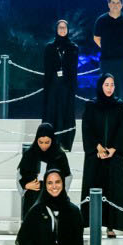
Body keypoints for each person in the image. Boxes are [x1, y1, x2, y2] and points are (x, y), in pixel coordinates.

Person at [81, 72, 123, 237]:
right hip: (96, 155)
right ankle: (93, 224)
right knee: (94, 186)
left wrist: (114, 149)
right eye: (107, 85)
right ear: (101, 86)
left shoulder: (119, 105)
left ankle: (111, 226)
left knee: (113, 190)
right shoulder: (91, 105)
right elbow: (87, 128)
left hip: (113, 156)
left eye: (112, 85)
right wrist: (98, 148)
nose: (110, 88)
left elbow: (122, 130)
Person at [19, 121, 73, 216]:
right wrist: (26, 186)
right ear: (36, 140)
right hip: (32, 197)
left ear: (52, 139)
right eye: (41, 142)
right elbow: (20, 176)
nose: (44, 145)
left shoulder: (59, 155)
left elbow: (67, 176)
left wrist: (59, 191)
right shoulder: (29, 154)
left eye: (47, 142)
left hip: (54, 196)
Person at [42, 19, 80, 152]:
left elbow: (74, 69)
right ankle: (51, 142)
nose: (62, 30)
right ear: (56, 30)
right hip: (53, 84)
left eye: (64, 28)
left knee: (65, 112)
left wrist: (73, 86)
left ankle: (64, 142)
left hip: (67, 85)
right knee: (52, 111)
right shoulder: (50, 47)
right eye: (60, 28)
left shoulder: (73, 47)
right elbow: (47, 69)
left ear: (67, 30)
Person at [92, 0, 123, 99]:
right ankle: (106, 110)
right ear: (108, 4)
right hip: (106, 59)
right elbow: (96, 38)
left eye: (118, 3)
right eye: (113, 2)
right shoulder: (101, 20)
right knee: (106, 84)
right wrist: (107, 48)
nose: (115, 5)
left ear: (121, 5)